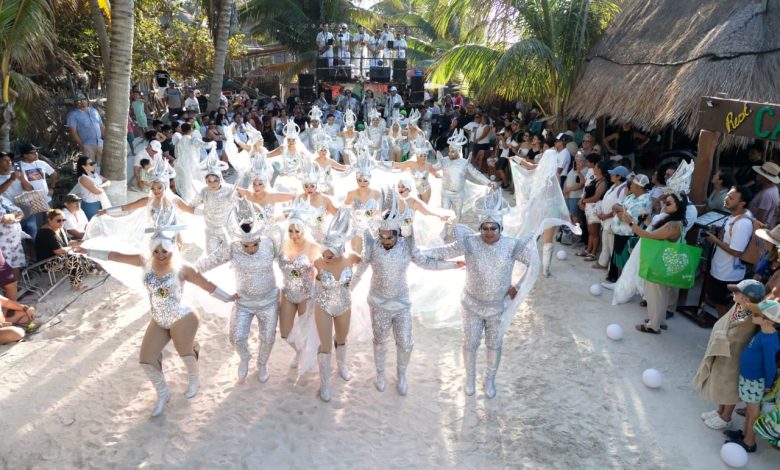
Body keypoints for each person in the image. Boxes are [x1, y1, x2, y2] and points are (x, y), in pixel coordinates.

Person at [79, 218, 234, 417]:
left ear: (173, 249)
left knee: (183, 350)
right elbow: (116, 256)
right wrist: (87, 252)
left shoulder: (183, 268)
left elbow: (207, 285)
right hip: (159, 319)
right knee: (146, 359)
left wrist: (229, 297)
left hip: (182, 316)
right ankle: (163, 394)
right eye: (156, 251)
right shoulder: (144, 261)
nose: (160, 255)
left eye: (165, 251)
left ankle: (194, 378)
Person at [422, 187, 535, 398]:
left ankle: (490, 380)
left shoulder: (512, 246)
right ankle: (470, 378)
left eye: (493, 228)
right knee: (471, 343)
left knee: (494, 344)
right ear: (480, 228)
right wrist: (419, 253)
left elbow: (533, 263)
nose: (489, 232)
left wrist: (517, 286)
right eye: (485, 228)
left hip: (497, 307)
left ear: (500, 228)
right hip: (471, 305)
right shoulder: (470, 242)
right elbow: (444, 252)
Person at [352, 196, 457, 395]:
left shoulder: (407, 244)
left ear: (398, 234)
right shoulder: (372, 245)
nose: (385, 241)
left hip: (401, 303)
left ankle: (401, 375)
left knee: (405, 342)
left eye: (389, 237)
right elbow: (361, 270)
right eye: (382, 237)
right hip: (379, 302)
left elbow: (426, 262)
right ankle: (380, 374)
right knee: (380, 340)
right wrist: (348, 289)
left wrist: (452, 265)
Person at [196, 199, 280, 382]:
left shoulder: (270, 243)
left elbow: (286, 260)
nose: (251, 249)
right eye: (246, 245)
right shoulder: (232, 248)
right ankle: (245, 358)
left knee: (268, 338)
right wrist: (183, 270)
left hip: (269, 301)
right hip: (244, 301)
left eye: (255, 244)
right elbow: (208, 262)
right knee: (236, 337)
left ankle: (262, 363)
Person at [694, 279, 766, 430]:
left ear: (746, 298)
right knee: (721, 383)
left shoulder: (749, 316)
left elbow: (736, 336)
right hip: (724, 354)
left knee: (730, 387)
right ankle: (720, 411)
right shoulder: (739, 306)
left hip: (733, 357)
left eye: (737, 292)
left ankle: (726, 417)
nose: (733, 292)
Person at [618, 193, 689, 333]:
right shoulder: (676, 222)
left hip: (660, 263)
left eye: (668, 204)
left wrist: (630, 223)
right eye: (665, 203)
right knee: (661, 294)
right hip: (664, 262)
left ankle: (653, 325)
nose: (664, 206)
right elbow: (657, 234)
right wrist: (648, 222)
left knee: (655, 294)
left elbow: (649, 236)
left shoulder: (673, 224)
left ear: (678, 207)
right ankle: (659, 320)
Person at [312, 209, 361, 402]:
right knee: (325, 346)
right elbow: (302, 278)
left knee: (341, 339)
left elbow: (367, 261)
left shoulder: (351, 259)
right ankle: (324, 383)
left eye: (330, 254)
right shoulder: (317, 262)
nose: (326, 256)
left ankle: (341, 365)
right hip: (323, 306)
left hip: (344, 305)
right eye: (324, 252)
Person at [723, 299, 780, 452]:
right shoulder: (763, 333)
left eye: (756, 314)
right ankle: (744, 434)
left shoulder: (769, 340)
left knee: (753, 410)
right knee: (749, 409)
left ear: (768, 321)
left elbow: (770, 366)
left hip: (755, 381)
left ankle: (749, 442)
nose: (752, 315)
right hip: (749, 378)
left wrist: (768, 385)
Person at [277, 201, 320, 368]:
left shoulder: (313, 247)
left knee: (305, 330)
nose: (294, 235)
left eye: (297, 231)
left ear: (304, 230)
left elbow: (321, 270)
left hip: (306, 294)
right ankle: (299, 351)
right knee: (285, 332)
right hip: (287, 292)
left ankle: (311, 353)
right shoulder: (282, 245)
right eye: (290, 231)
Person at [703, 186, 754, 316]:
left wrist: (714, 240)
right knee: (719, 303)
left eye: (731, 198)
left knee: (723, 306)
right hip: (721, 269)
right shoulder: (734, 217)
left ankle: (724, 332)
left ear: (742, 203)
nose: (726, 199)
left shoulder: (742, 224)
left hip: (728, 274)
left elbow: (736, 252)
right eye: (727, 195)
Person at [602, 174, 652, 289]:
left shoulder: (645, 200)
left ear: (639, 186)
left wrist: (621, 211)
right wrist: (622, 210)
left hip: (630, 235)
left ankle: (624, 287)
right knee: (619, 260)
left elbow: (625, 217)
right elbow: (615, 206)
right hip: (620, 232)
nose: (630, 186)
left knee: (626, 261)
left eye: (633, 184)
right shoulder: (632, 196)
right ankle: (619, 284)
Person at [434, 129, 492, 221]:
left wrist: (488, 182)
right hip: (446, 193)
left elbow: (476, 174)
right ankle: (443, 230)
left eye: (453, 151)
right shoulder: (444, 161)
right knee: (444, 214)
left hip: (458, 194)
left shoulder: (464, 163)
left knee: (457, 214)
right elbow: (433, 168)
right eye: (449, 151)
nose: (450, 153)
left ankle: (456, 230)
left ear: (458, 151)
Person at [34, 209, 97, 290]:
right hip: (46, 263)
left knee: (82, 247)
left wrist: (81, 242)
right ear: (49, 220)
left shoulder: (58, 228)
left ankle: (90, 269)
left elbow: (68, 243)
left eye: (63, 220)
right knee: (72, 256)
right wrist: (75, 247)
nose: (62, 222)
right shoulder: (46, 232)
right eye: (58, 220)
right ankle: (76, 283)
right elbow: (58, 250)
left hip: (57, 257)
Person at [189, 154, 235, 254]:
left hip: (228, 230)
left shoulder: (230, 190)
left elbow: (241, 206)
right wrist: (201, 212)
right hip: (211, 232)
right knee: (211, 259)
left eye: (215, 180)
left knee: (230, 258)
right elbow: (191, 205)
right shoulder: (204, 192)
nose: (212, 184)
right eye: (209, 181)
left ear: (220, 179)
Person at [18, 143, 58, 240]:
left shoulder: (41, 163)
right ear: (25, 155)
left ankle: (52, 244)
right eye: (33, 152)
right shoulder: (18, 166)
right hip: (32, 201)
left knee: (51, 224)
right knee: (38, 227)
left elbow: (54, 174)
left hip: (47, 199)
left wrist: (52, 188)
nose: (36, 154)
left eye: (36, 151)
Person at [594, 166, 629, 270]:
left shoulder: (623, 189)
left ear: (618, 176)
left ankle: (612, 270)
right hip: (606, 220)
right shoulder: (614, 186)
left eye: (613, 174)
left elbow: (619, 207)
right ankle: (603, 262)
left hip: (612, 220)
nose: (611, 175)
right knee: (605, 243)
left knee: (612, 245)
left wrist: (606, 216)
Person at [578, 160, 608, 261]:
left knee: (595, 232)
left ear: (600, 169)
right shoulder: (596, 179)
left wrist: (583, 201)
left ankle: (593, 252)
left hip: (595, 208)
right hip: (589, 208)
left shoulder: (602, 182)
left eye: (596, 167)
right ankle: (588, 249)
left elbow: (596, 197)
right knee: (590, 231)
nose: (594, 168)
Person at [67, 93, 105, 167]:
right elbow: (73, 133)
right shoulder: (73, 115)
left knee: (103, 167)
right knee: (90, 168)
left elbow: (101, 126)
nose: (82, 102)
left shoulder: (94, 111)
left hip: (100, 143)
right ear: (75, 103)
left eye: (83, 99)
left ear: (86, 100)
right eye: (78, 101)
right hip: (87, 145)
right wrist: (82, 145)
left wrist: (105, 140)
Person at [748, 162, 780, 227]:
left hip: (757, 226)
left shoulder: (767, 193)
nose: (757, 174)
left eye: (760, 173)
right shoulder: (774, 188)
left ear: (765, 177)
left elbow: (761, 218)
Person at [0, 198, 26, 280]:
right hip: (2, 244)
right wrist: (3, 218)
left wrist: (13, 215)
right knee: (5, 269)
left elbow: (20, 212)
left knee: (16, 264)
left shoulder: (2, 198)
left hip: (15, 240)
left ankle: (17, 288)